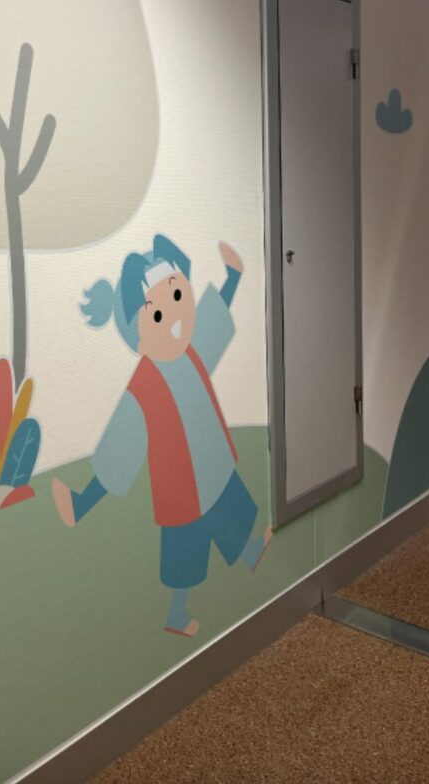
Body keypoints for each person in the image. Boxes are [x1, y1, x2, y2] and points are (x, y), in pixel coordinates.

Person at [52, 234, 272, 637]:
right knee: (185, 554)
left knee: (232, 515)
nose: (173, 318)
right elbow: (120, 450)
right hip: (182, 486)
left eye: (178, 296)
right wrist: (83, 501)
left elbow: (213, 319)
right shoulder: (144, 385)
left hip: (212, 466)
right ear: (136, 335)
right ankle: (176, 614)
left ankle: (252, 551)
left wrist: (233, 278)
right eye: (156, 314)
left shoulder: (191, 350)